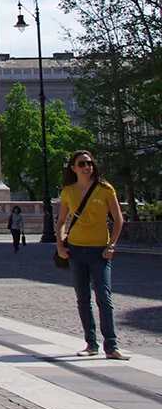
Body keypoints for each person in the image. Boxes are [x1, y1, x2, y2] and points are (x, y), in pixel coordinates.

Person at [57, 151, 128, 360]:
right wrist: (61, 246)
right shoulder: (68, 192)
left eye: (89, 163)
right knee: (83, 299)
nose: (86, 167)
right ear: (73, 168)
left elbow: (118, 218)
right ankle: (91, 344)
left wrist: (112, 245)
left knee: (104, 298)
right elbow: (61, 221)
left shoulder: (105, 189)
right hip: (76, 250)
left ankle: (112, 346)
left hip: (100, 250)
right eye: (82, 164)